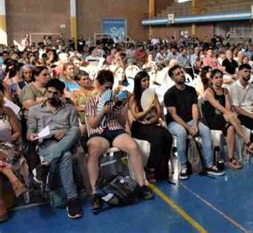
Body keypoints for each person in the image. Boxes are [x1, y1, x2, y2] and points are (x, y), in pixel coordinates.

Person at [85, 70, 153, 211]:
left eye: (110, 87)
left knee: (133, 147)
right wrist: (102, 112)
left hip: (115, 130)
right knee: (92, 152)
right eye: (105, 87)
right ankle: (95, 193)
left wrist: (120, 108)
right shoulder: (91, 101)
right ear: (98, 84)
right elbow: (92, 124)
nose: (108, 90)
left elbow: (122, 121)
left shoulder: (115, 99)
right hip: (99, 132)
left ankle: (142, 185)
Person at [27, 79, 83, 219]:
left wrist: (64, 130)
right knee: (66, 156)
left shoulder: (69, 108)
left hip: (66, 139)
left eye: (55, 93)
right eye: (49, 92)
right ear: (45, 91)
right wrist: (31, 135)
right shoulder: (34, 110)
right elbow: (29, 133)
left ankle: (45, 165)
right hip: (46, 143)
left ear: (61, 94)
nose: (51, 96)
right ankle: (72, 199)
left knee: (76, 130)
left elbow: (74, 129)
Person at [164, 65, 224, 180]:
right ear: (172, 78)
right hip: (174, 122)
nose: (181, 74)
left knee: (205, 130)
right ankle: (183, 166)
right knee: (181, 132)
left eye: (181, 72)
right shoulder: (169, 94)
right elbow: (174, 115)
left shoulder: (191, 90)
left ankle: (209, 164)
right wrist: (188, 127)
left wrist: (195, 125)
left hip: (191, 120)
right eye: (177, 74)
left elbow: (195, 108)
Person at [203, 69, 253, 169]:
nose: (219, 79)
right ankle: (248, 142)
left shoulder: (225, 90)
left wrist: (230, 115)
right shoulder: (209, 91)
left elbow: (228, 107)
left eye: (220, 77)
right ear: (211, 80)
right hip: (211, 119)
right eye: (216, 78)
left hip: (225, 118)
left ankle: (231, 158)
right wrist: (232, 117)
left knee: (231, 129)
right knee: (231, 116)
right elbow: (218, 107)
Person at [129, 71, 172, 181]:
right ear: (138, 83)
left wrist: (153, 119)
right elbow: (136, 116)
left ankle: (162, 171)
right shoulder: (134, 97)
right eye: (144, 81)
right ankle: (151, 167)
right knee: (158, 136)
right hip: (139, 126)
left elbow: (158, 112)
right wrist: (148, 108)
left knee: (167, 136)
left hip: (151, 123)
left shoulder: (153, 94)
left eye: (148, 80)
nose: (147, 83)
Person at [0, 91, 28, 222]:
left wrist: (9, 137)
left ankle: (1, 207)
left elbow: (17, 132)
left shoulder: (7, 110)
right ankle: (14, 180)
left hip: (9, 146)